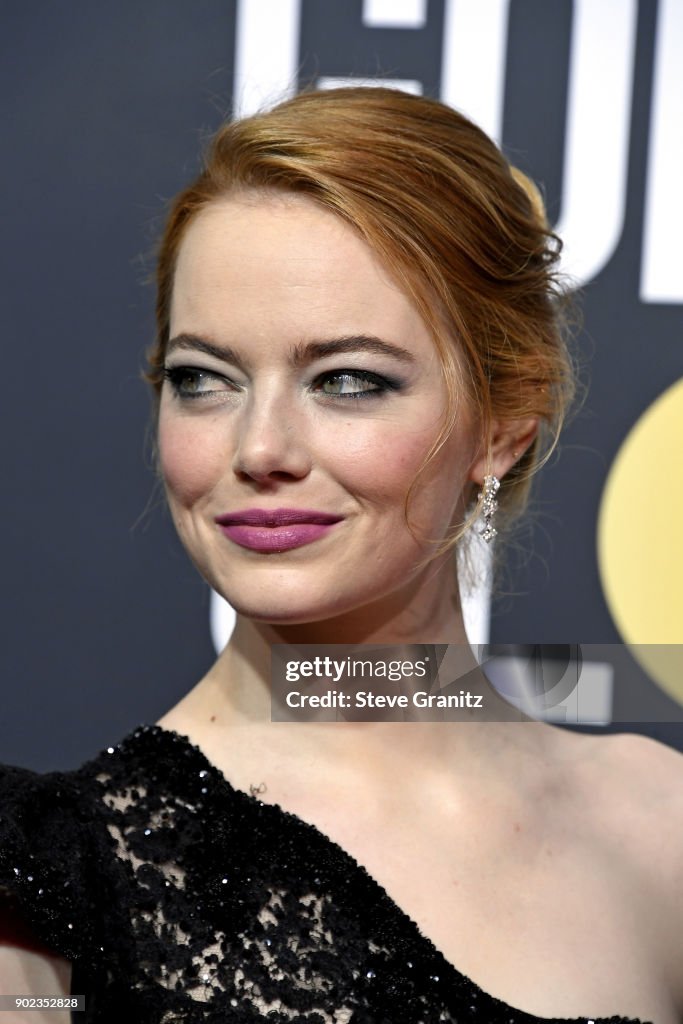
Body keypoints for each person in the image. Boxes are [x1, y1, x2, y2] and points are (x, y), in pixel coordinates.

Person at [1, 87, 682, 1024]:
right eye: (203, 380)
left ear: (501, 422)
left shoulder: (659, 826)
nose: (259, 448)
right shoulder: (49, 884)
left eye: (348, 381)